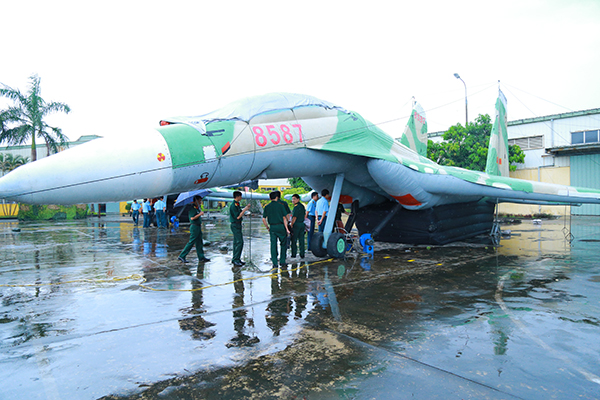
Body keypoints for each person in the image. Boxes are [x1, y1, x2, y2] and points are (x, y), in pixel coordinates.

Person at [179, 195, 211, 263]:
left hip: (198, 226)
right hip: (194, 227)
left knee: (199, 242)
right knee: (191, 242)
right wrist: (199, 214)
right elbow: (192, 218)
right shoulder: (192, 208)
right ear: (196, 200)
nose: (200, 202)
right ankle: (182, 256)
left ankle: (201, 257)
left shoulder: (197, 208)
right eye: (199, 200)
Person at [262, 192, 290, 268]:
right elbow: (284, 218)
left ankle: (274, 263)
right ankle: (282, 261)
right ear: (277, 197)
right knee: (283, 244)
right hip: (281, 226)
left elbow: (264, 219)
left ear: (270, 198)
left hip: (272, 227)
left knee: (273, 244)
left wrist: (267, 227)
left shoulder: (267, 207)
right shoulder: (281, 206)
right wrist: (287, 228)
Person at [230, 191, 251, 266]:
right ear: (237, 196)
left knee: (236, 242)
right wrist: (245, 209)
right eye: (240, 196)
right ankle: (235, 259)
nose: (241, 198)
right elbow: (238, 216)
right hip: (235, 225)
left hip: (238, 225)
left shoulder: (237, 204)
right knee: (239, 242)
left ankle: (236, 258)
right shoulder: (234, 205)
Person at [290, 194, 306, 259]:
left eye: (294, 199)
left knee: (294, 240)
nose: (292, 200)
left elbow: (294, 217)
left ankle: (294, 254)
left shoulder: (296, 207)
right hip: (302, 224)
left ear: (298, 199)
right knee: (301, 239)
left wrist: (291, 224)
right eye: (292, 199)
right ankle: (302, 254)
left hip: (296, 224)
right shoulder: (302, 206)